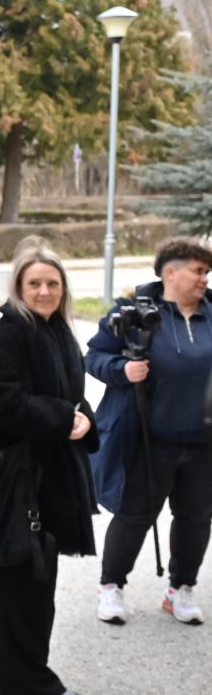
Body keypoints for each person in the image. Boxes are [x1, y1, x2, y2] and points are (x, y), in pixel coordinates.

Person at [0, 239, 98, 695]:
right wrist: (64, 417)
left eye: (52, 283)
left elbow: (72, 395)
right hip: (22, 477)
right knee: (27, 577)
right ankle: (26, 684)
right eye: (34, 284)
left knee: (19, 572)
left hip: (48, 473)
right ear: (19, 287)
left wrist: (83, 420)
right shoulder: (9, 333)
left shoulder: (57, 329)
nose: (44, 291)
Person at [86, 238, 212, 626]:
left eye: (207, 272)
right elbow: (95, 356)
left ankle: (181, 589)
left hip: (204, 442)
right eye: (198, 271)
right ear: (170, 272)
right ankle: (111, 586)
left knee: (196, 518)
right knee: (135, 515)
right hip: (148, 438)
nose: (204, 279)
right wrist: (122, 371)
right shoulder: (133, 311)